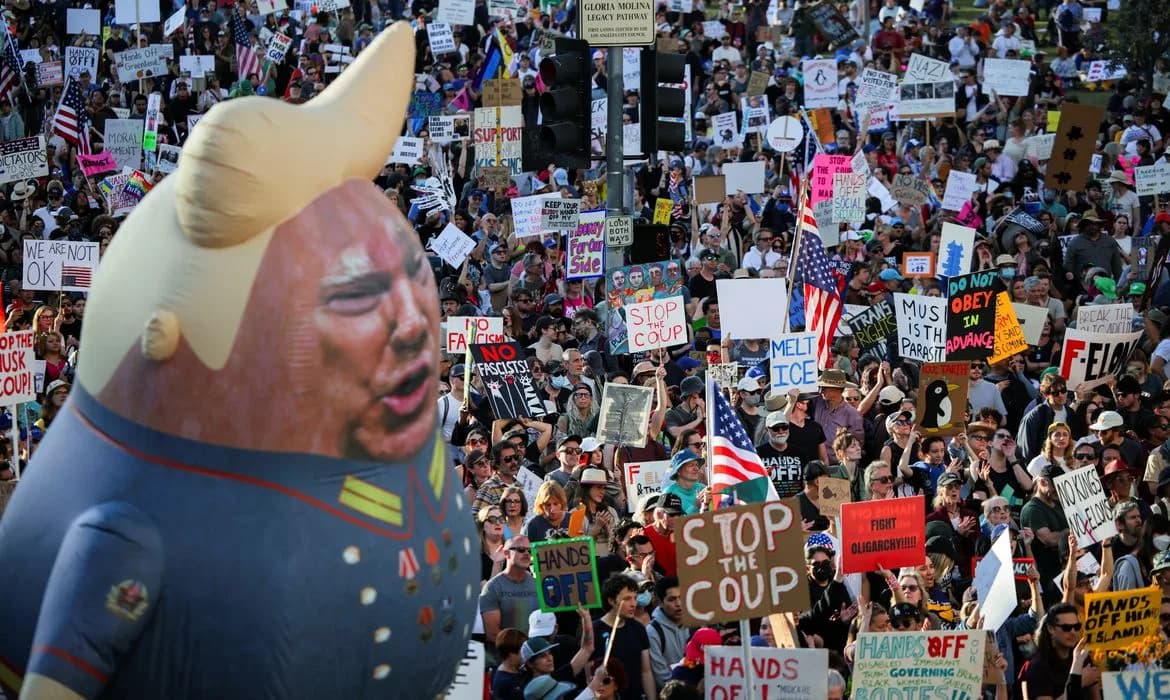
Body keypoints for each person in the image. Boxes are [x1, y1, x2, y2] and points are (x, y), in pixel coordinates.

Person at [591, 574, 656, 700]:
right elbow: (590, 676)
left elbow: (646, 671)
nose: (633, 604)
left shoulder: (638, 629)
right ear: (611, 601)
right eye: (627, 599)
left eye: (635, 598)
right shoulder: (596, 631)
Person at [481, 536, 539, 658]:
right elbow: (492, 634)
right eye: (521, 549)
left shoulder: (537, 584)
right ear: (506, 553)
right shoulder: (493, 587)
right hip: (505, 661)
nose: (527, 554)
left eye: (530, 550)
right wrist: (524, 651)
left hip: (534, 660)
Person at [645, 576, 689, 690]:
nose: (678, 603)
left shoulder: (696, 624)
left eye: (681, 597)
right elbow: (662, 677)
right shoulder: (653, 631)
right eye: (672, 599)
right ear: (660, 602)